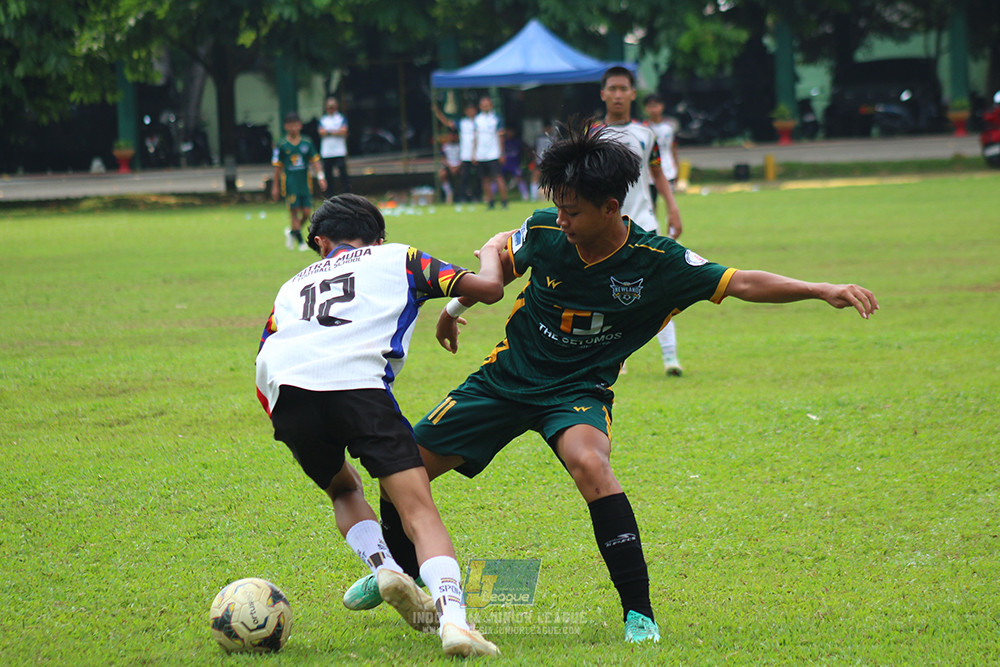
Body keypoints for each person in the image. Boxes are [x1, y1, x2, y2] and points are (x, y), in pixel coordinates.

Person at [340, 121, 879, 644]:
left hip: (577, 390)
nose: (561, 219)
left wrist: (817, 288)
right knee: (403, 465)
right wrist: (457, 303)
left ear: (611, 208)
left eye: (572, 211)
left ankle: (639, 615)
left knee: (591, 464)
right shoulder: (547, 230)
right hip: (505, 380)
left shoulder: (657, 261)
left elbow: (740, 281)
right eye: (558, 206)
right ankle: (402, 572)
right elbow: (502, 255)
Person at [255, 193, 511, 657]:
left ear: (320, 242)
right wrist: (492, 250)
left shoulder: (290, 286)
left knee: (343, 489)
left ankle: (382, 565)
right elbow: (488, 289)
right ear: (378, 238)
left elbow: (265, 351)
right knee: (417, 511)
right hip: (359, 387)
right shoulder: (401, 257)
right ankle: (454, 621)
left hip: (287, 392)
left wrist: (282, 410)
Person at [598, 66, 684, 375]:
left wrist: (673, 208)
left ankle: (670, 357)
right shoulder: (594, 135)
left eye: (624, 89)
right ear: (603, 93)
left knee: (659, 289)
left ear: (633, 94)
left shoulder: (646, 135)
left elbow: (658, 173)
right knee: (610, 292)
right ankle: (615, 358)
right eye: (613, 89)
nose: (618, 94)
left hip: (644, 225)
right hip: (606, 228)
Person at [272, 112, 326, 251]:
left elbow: (315, 161)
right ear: (286, 127)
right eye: (291, 125)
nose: (294, 128)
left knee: (307, 212)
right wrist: (275, 186)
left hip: (304, 183)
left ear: (300, 126)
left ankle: (292, 232)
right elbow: (277, 167)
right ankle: (301, 242)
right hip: (290, 183)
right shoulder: (282, 144)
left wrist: (320, 176)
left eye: (296, 125)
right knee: (294, 211)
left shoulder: (307, 142)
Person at [434, 100, 480, 203]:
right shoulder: (463, 122)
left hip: (480, 154)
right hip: (466, 155)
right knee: (464, 178)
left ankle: (477, 196)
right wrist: (437, 112)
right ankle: (461, 197)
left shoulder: (480, 121)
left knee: (479, 177)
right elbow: (447, 123)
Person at [472, 95, 507, 210]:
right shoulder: (477, 119)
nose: (485, 107)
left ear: (491, 106)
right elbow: (475, 137)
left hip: (494, 154)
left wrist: (502, 153)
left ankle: (504, 201)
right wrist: (474, 153)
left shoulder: (496, 118)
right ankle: (490, 201)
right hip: (481, 154)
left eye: (487, 105)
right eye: (483, 105)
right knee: (485, 179)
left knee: (498, 177)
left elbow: (501, 136)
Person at [643, 93, 680, 203]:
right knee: (651, 203)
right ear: (646, 108)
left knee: (670, 201)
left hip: (668, 169)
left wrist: (676, 168)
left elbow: (673, 148)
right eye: (650, 106)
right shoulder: (644, 128)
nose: (654, 110)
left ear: (662, 106)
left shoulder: (669, 126)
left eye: (656, 105)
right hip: (650, 171)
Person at [318, 97, 351, 195]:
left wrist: (328, 131)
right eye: (329, 107)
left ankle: (347, 194)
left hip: (339, 151)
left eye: (333, 107)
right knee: (328, 176)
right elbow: (321, 132)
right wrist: (336, 131)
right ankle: (329, 196)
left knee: (343, 175)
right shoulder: (323, 119)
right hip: (327, 152)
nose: (331, 109)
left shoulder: (341, 118)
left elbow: (344, 131)